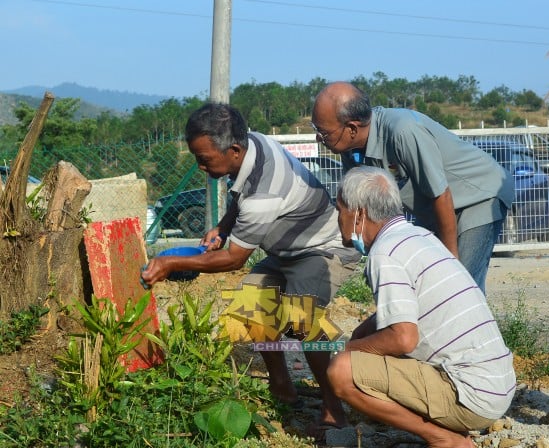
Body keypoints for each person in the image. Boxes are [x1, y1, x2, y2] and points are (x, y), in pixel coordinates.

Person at [141, 102, 361, 433]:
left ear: (233, 149)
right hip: (288, 249)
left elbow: (234, 259)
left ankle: (333, 408)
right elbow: (239, 195)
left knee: (301, 319)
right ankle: (282, 386)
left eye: (205, 160)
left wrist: (170, 260)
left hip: (322, 248)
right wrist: (225, 226)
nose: (201, 167)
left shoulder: (264, 194)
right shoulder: (253, 142)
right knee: (252, 302)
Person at [328, 165, 516, 448]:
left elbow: (404, 338)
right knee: (364, 343)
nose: (338, 216)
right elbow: (409, 309)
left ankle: (444, 439)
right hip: (496, 385)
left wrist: (347, 349)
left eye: (339, 208)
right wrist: (360, 335)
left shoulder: (385, 253)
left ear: (358, 213)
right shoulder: (419, 237)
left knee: (341, 370)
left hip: (470, 395)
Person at [311, 81, 514, 293]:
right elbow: (368, 211)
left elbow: (441, 195)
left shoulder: (402, 131)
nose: (319, 138)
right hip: (439, 211)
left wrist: (450, 263)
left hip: (477, 195)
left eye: (323, 132)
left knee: (460, 285)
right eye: (316, 130)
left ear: (352, 128)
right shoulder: (349, 150)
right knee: (426, 284)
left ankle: (473, 323)